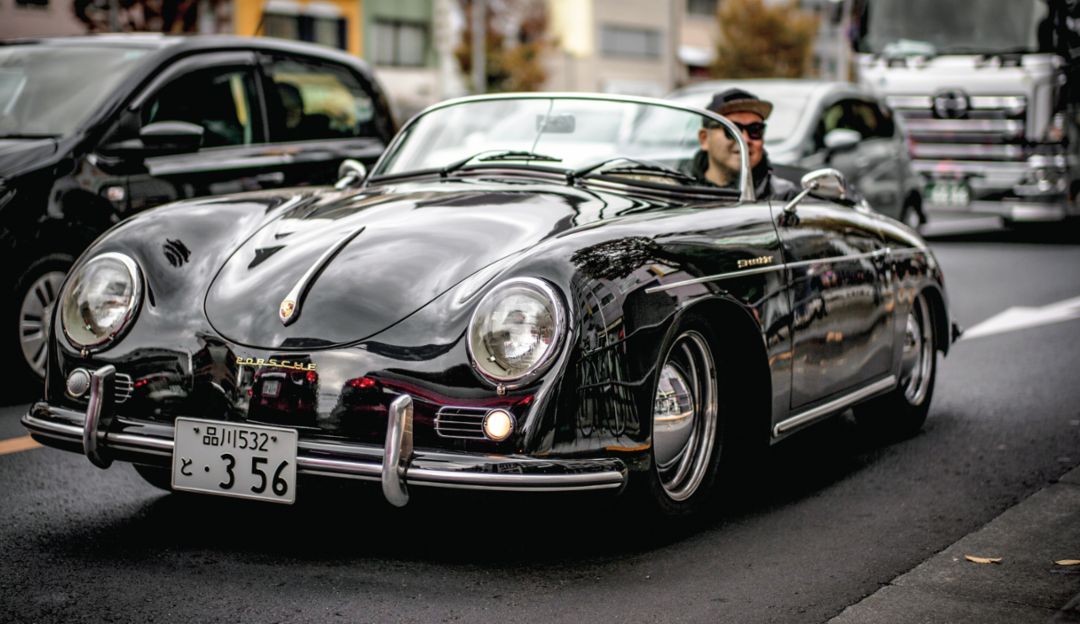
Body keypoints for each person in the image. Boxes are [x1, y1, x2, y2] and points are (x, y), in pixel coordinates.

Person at [694, 88, 801, 201]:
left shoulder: (786, 198)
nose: (744, 139)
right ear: (704, 139)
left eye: (755, 130)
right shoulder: (678, 193)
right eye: (732, 129)